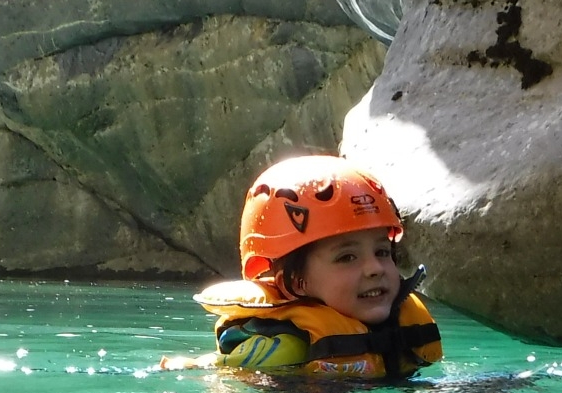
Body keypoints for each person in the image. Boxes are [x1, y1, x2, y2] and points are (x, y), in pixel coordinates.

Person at [164, 155, 443, 378]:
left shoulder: (404, 327)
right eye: (347, 257)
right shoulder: (284, 349)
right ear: (297, 282)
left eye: (382, 252)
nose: (375, 268)